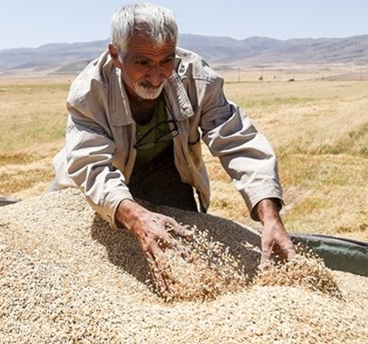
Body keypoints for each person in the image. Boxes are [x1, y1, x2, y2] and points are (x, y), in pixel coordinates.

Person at [50, 2, 296, 283]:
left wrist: (270, 216)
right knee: (70, 251)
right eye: (142, 62)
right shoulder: (90, 92)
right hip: (98, 182)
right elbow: (91, 166)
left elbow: (238, 140)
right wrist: (134, 216)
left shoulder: (198, 78)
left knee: (184, 250)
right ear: (116, 56)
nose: (156, 76)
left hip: (166, 171)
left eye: (165, 60)